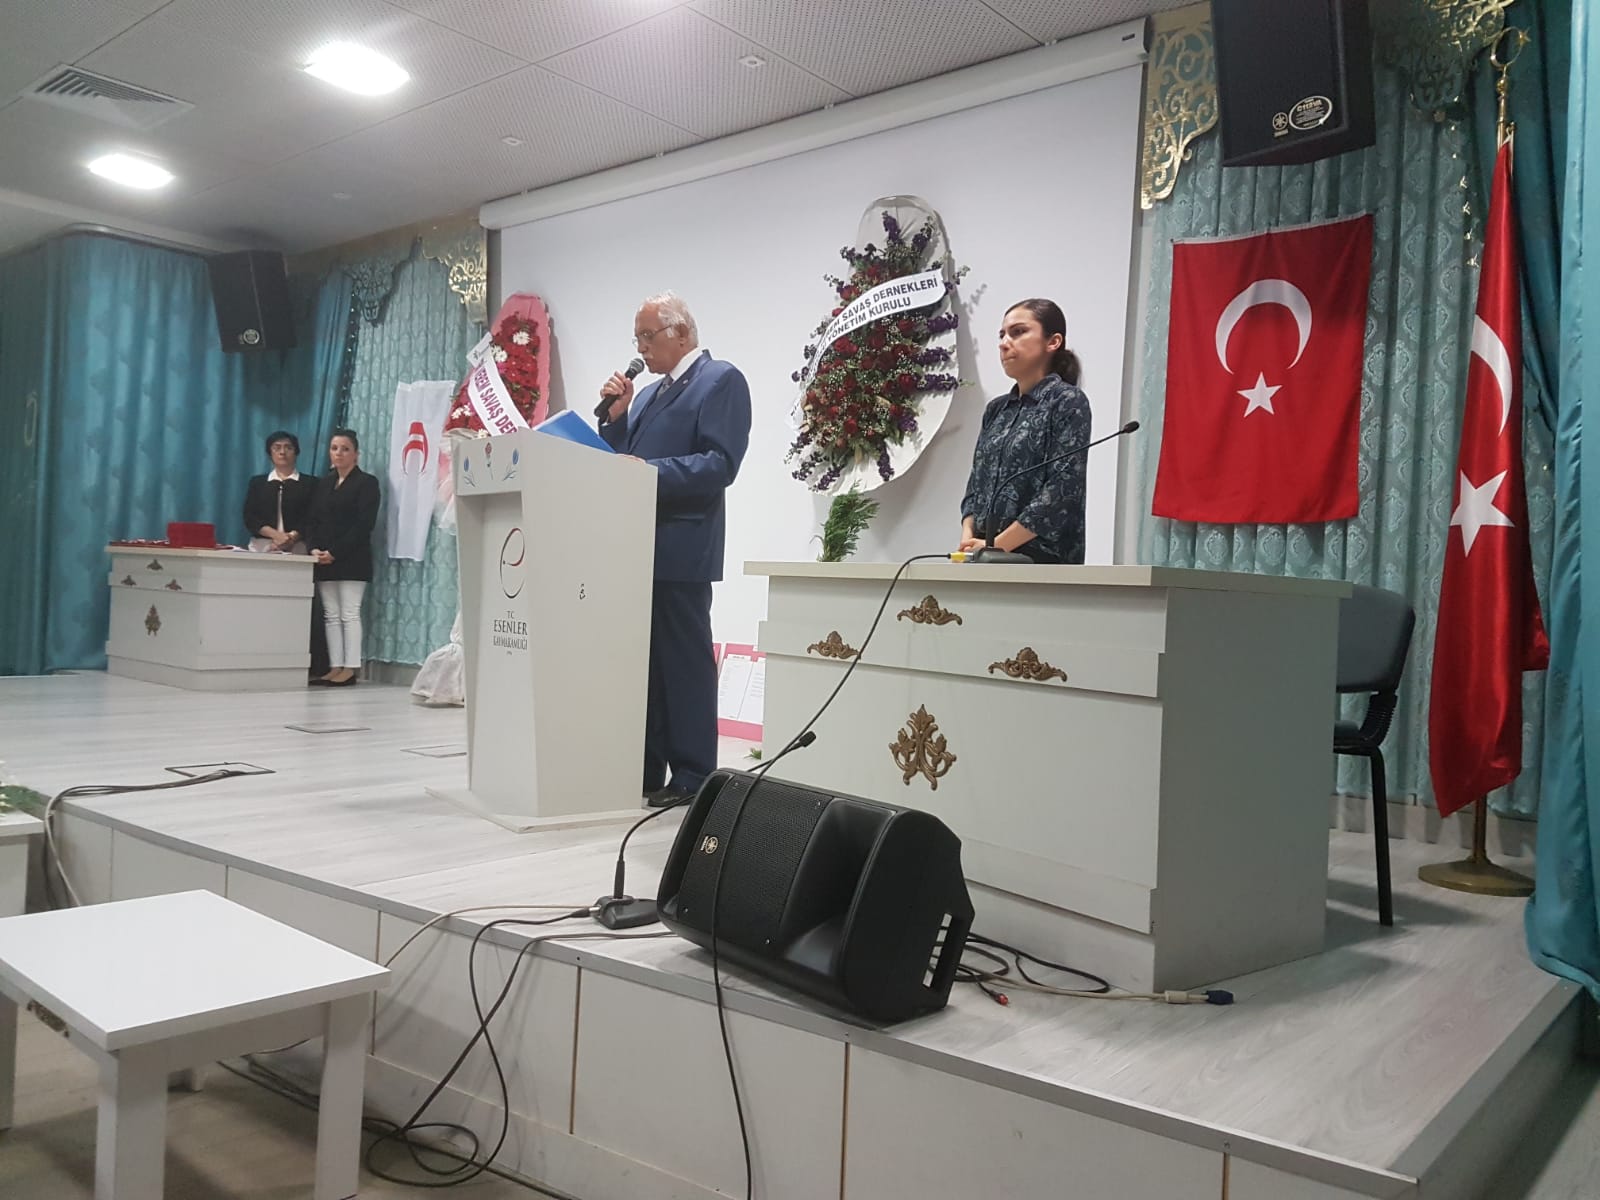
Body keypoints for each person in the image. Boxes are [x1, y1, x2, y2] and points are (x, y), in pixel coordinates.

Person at [598, 292, 751, 806]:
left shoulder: (720, 380)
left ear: (681, 333)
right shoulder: (644, 396)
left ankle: (693, 774)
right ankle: (644, 769)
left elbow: (719, 464)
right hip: (637, 547)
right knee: (643, 667)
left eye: (648, 336)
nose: (640, 348)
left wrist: (650, 472)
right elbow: (623, 463)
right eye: (637, 338)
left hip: (682, 546)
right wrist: (615, 420)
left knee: (683, 664)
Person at [960, 298, 1093, 564]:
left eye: (1018, 332)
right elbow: (976, 483)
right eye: (1002, 335)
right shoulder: (996, 410)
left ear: (1053, 342)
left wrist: (998, 546)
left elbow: (1062, 489)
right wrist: (968, 539)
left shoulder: (1067, 401)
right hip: (984, 557)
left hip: (1042, 561)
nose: (1004, 343)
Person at [307, 428, 380, 687]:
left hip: (352, 558)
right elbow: (313, 521)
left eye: (345, 449)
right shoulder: (324, 484)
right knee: (330, 614)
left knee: (349, 613)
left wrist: (335, 552)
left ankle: (350, 667)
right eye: (334, 448)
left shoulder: (367, 483)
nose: (339, 453)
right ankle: (335, 666)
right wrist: (314, 549)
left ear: (356, 454)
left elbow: (364, 524)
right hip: (323, 558)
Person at [243, 431, 316, 553]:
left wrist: (291, 537)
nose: (282, 452)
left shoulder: (311, 483)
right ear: (269, 453)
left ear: (296, 453)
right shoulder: (258, 483)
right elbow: (250, 517)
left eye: (288, 448)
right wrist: (276, 535)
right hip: (262, 546)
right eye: (277, 448)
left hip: (298, 546)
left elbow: (313, 517)